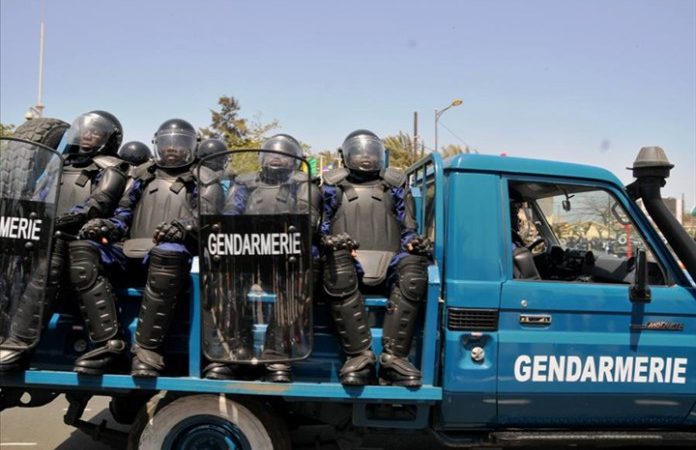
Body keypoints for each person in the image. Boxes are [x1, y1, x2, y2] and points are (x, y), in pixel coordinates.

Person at [69, 118, 224, 376]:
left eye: (178, 144)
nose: (172, 149)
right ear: (157, 145)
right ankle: (109, 344)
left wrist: (183, 228)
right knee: (84, 248)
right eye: (167, 144)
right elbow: (123, 214)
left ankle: (148, 350)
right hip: (131, 248)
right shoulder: (142, 173)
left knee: (168, 252)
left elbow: (208, 219)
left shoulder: (204, 177)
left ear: (192, 146)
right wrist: (107, 226)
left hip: (177, 254)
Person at [0, 111, 129, 372]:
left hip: (89, 236)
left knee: (62, 252)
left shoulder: (112, 168)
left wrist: (63, 220)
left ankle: (21, 343)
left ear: (110, 138)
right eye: (85, 129)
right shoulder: (59, 165)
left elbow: (98, 203)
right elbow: (39, 197)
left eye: (96, 132)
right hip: (48, 233)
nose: (88, 134)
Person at [203, 134, 321, 382]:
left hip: (284, 253)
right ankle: (233, 351)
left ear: (294, 160)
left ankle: (277, 353)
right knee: (223, 272)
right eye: (272, 153)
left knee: (296, 279)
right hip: (247, 249)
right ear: (262, 157)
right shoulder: (246, 183)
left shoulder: (303, 184)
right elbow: (231, 211)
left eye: (283, 154)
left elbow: (307, 215)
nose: (276, 158)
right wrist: (227, 228)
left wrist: (292, 230)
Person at [320, 130, 430, 387]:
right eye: (360, 152)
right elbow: (321, 228)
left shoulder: (394, 183)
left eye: (371, 152)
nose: (366, 157)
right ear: (347, 155)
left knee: (414, 269)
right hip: (348, 259)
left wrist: (414, 243)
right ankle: (358, 357)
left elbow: (407, 229)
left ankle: (394, 359)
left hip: (390, 260)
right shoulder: (332, 184)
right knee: (337, 267)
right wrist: (331, 242)